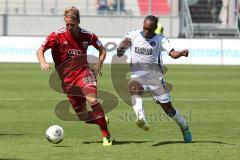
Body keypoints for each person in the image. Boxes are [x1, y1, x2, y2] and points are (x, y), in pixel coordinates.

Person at [36, 6, 113, 146]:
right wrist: (43, 62)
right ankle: (100, 118)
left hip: (84, 73)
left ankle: (106, 135)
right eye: (67, 24)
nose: (69, 27)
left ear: (78, 21)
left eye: (72, 24)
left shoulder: (88, 35)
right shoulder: (57, 35)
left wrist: (99, 63)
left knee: (92, 99)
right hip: (67, 80)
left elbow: (102, 49)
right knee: (83, 117)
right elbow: (41, 49)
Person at [117, 15, 192, 143]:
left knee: (169, 110)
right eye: (145, 28)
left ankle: (185, 128)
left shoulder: (160, 39)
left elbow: (173, 54)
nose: (146, 31)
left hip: (155, 79)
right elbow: (119, 53)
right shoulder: (133, 35)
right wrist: (120, 48)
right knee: (133, 88)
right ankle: (141, 118)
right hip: (138, 76)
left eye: (149, 29)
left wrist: (180, 53)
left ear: (155, 28)